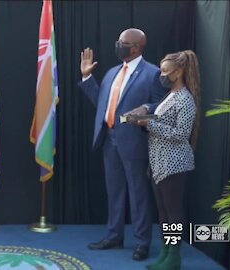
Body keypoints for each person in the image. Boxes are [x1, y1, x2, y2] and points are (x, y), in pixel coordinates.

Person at [78, 28, 167, 260]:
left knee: (138, 194)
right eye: (118, 41)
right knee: (114, 191)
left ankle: (142, 243)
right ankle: (114, 236)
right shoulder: (111, 73)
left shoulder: (153, 73)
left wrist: (144, 113)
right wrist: (87, 78)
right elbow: (102, 104)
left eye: (124, 43)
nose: (119, 45)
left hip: (134, 141)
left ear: (137, 47)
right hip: (109, 139)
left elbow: (162, 107)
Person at [130, 50, 200, 269]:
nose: (161, 75)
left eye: (164, 71)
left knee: (173, 211)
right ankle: (166, 252)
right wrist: (142, 118)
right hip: (159, 163)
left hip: (175, 164)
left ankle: (174, 256)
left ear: (178, 72)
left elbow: (181, 133)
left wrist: (148, 124)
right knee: (163, 212)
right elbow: (162, 120)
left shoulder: (186, 99)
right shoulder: (169, 95)